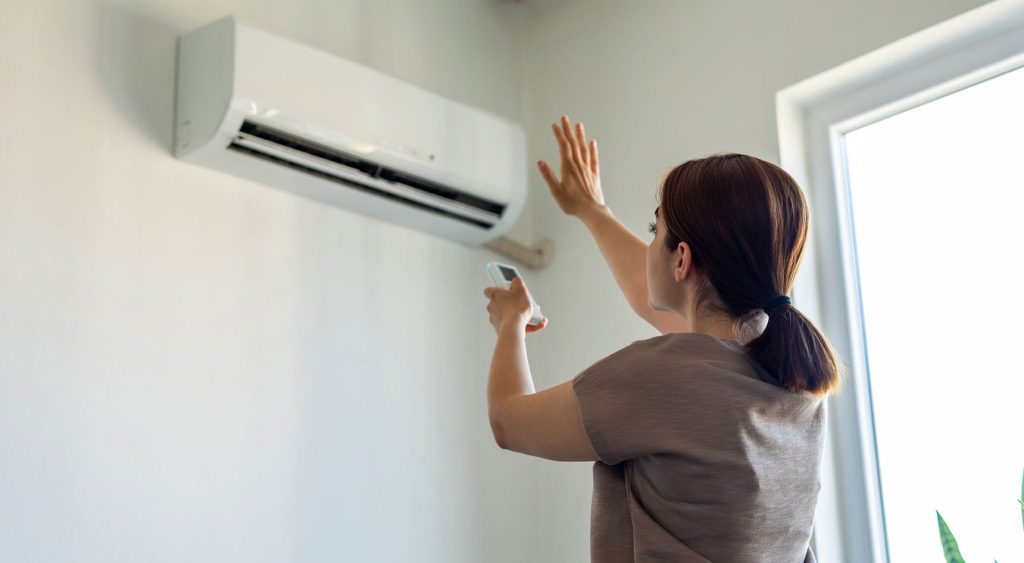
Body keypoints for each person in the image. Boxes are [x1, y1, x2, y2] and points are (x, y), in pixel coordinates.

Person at [483, 114, 846, 562]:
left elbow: (508, 422)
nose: (650, 242)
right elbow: (654, 295)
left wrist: (510, 324)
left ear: (682, 261)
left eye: (656, 231)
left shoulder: (660, 378)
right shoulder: (793, 376)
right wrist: (593, 211)